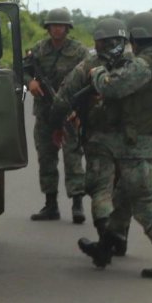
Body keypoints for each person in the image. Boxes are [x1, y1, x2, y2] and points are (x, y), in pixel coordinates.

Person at [76, 11, 152, 278]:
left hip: (139, 145)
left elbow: (112, 87)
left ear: (138, 38)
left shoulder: (145, 65)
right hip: (148, 141)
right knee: (121, 199)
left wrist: (98, 73)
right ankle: (105, 248)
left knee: (144, 201)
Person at [49, 18, 128, 253]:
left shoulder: (88, 66)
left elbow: (62, 99)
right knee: (123, 190)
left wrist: (56, 126)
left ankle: (106, 241)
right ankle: (119, 240)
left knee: (100, 189)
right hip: (132, 140)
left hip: (100, 139)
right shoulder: (137, 65)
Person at [22, 8, 89, 222]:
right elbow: (22, 69)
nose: (57, 29)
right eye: (53, 25)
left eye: (61, 25)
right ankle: (50, 204)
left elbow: (89, 76)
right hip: (44, 113)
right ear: (48, 28)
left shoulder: (79, 51)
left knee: (73, 158)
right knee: (46, 158)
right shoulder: (39, 49)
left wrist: (80, 109)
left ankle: (77, 204)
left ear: (68, 28)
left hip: (70, 112)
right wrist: (29, 82)